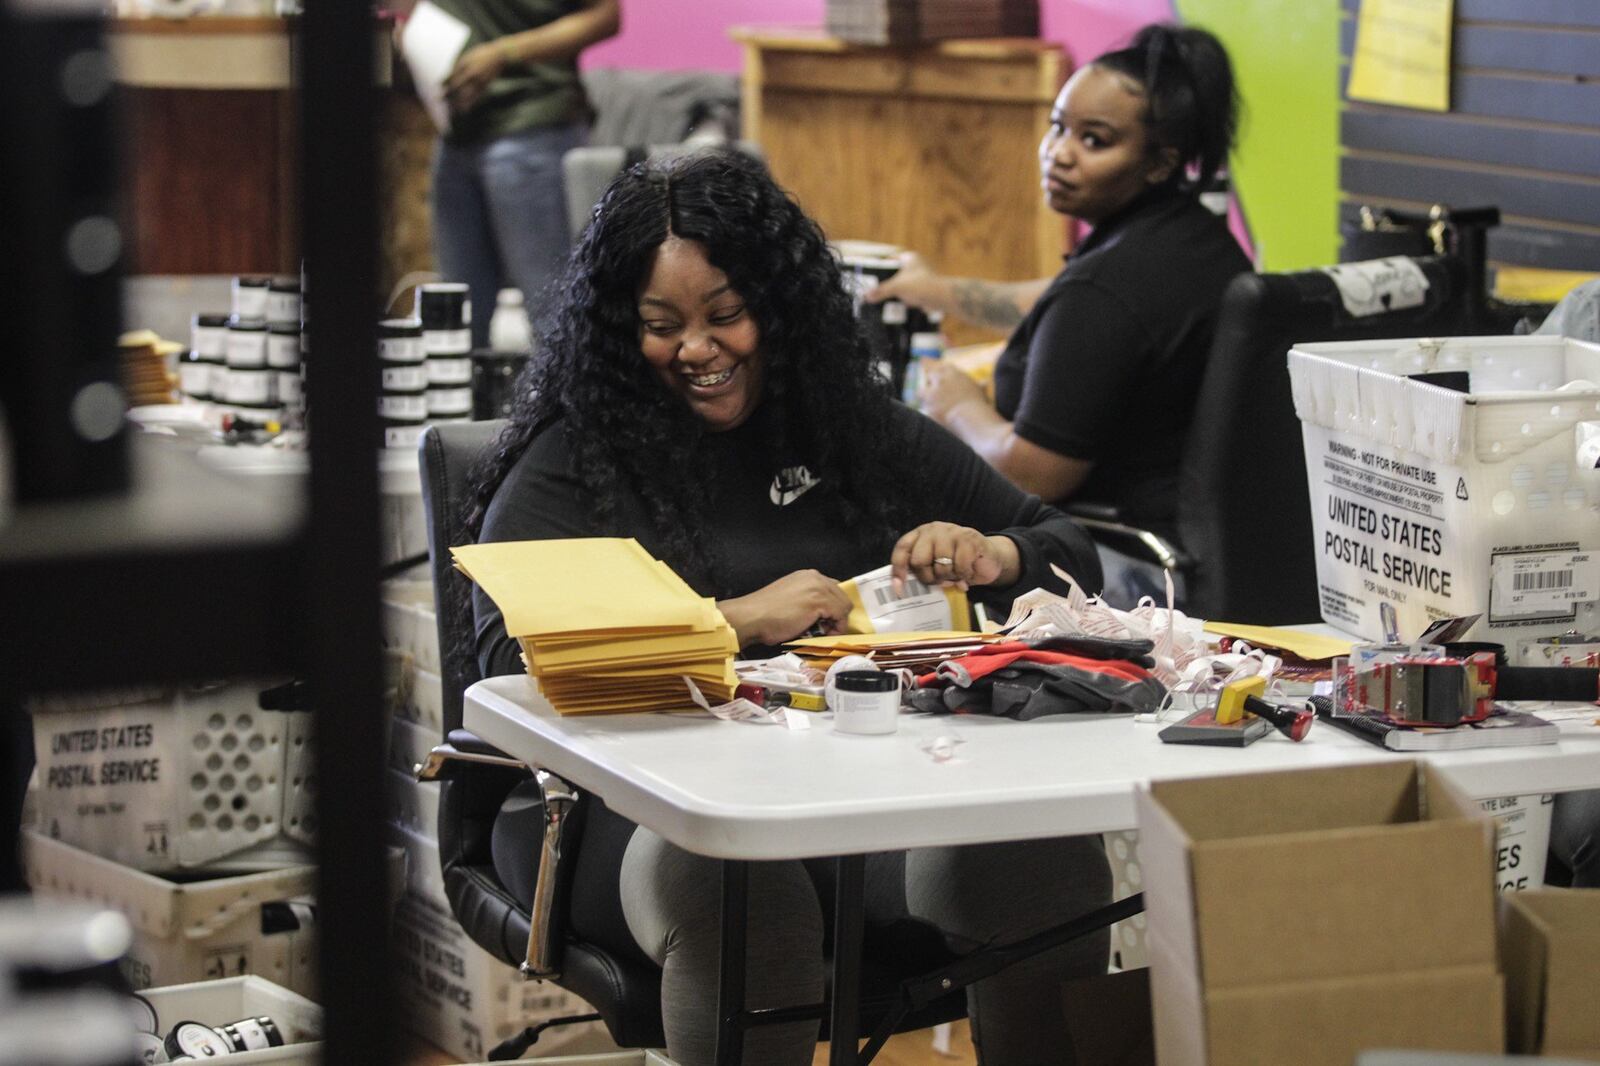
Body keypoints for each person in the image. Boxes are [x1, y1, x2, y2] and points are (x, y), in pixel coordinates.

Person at [468, 149, 1112, 1066]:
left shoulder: (849, 427)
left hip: (847, 797)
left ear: (778, 305)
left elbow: (1068, 547)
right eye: (661, 326)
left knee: (1042, 858)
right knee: (736, 884)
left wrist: (994, 554)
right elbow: (511, 661)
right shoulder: (575, 463)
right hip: (612, 815)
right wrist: (732, 619)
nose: (698, 349)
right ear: (619, 331)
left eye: (726, 315)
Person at [868, 23, 1251, 606]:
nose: (1058, 153)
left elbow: (1030, 474)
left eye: (1094, 141)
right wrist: (935, 289)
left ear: (1158, 162)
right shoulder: (1194, 242)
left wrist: (957, 404)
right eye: (1057, 126)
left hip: (1124, 569)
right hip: (1205, 549)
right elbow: (1053, 302)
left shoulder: (1105, 289)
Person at [414, 0, 620, 349]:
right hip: (456, 133)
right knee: (456, 327)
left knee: (552, 317)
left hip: (532, 128)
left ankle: (560, 404)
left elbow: (606, 16)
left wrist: (505, 52)